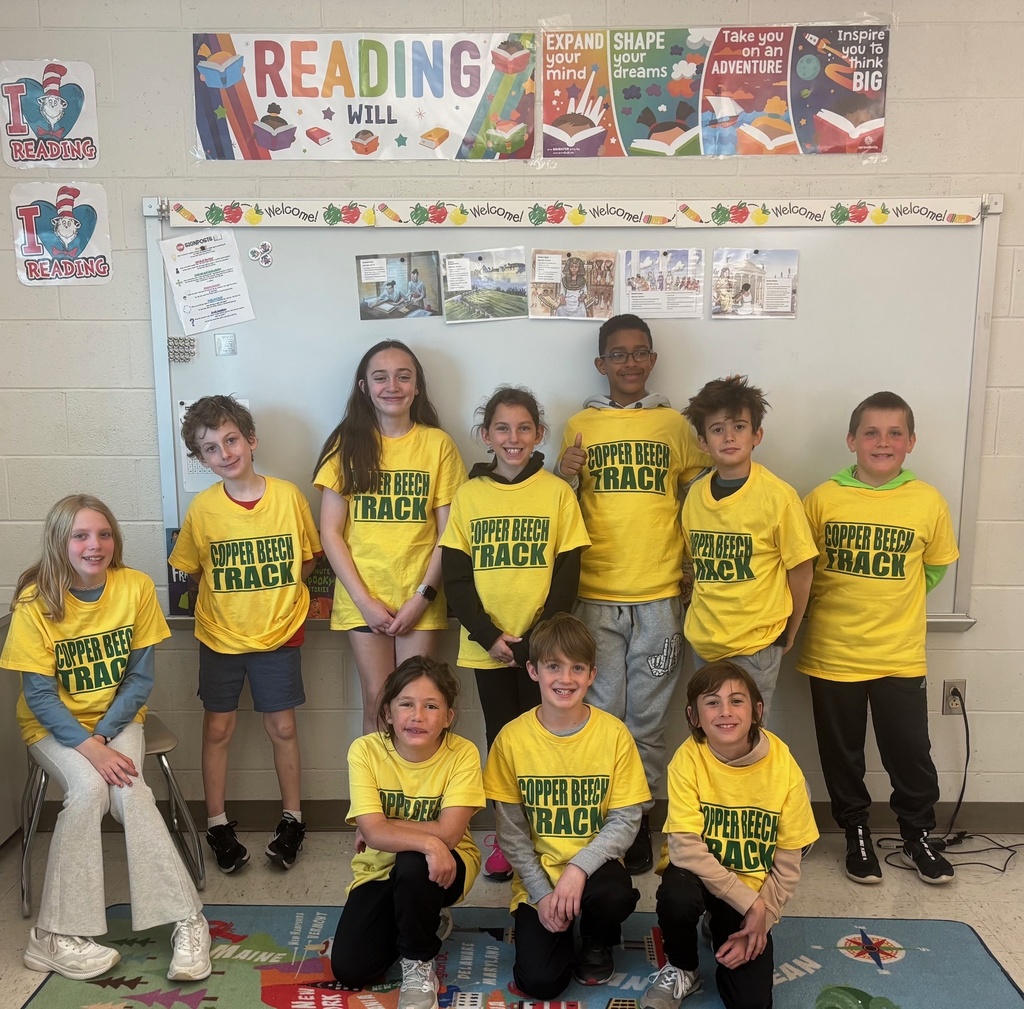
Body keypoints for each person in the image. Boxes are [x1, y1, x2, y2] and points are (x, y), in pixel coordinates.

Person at [1, 495, 211, 983]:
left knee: (129, 790)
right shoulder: (35, 601)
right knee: (92, 786)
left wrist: (107, 734)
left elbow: (139, 679)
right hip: (52, 727)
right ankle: (54, 936)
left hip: (117, 721)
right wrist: (91, 748)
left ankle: (186, 920)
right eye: (80, 535)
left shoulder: (134, 586)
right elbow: (38, 695)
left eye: (103, 534)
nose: (94, 545)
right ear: (60, 542)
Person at [556, 314, 710, 874]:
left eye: (639, 352)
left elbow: (697, 502)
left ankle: (640, 817)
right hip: (595, 596)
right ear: (601, 364)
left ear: (652, 359)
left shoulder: (675, 425)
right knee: (600, 714)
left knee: (646, 718)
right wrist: (563, 472)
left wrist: (694, 569)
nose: (629, 362)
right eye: (617, 354)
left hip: (660, 597)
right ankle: (604, 818)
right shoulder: (578, 424)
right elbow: (558, 505)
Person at [797, 392, 960, 885]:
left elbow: (932, 568)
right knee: (841, 753)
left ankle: (917, 835)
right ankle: (856, 834)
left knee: (909, 751)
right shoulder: (822, 498)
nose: (882, 442)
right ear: (851, 441)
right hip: (832, 653)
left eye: (894, 433)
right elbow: (803, 569)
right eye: (871, 432)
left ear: (910, 442)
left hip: (899, 655)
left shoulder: (927, 499)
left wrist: (891, 599)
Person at [441, 387, 590, 881]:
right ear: (486, 436)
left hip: (544, 651)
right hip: (490, 651)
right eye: (502, 428)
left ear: (539, 434)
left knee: (548, 741)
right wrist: (490, 636)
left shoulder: (556, 492)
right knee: (503, 744)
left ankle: (551, 838)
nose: (513, 437)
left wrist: (536, 643)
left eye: (524, 428)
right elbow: (457, 579)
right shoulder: (469, 495)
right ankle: (507, 839)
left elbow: (568, 573)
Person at [170, 396, 321, 873]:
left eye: (231, 439)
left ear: (251, 440)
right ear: (201, 459)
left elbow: (309, 558)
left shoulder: (288, 496)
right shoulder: (204, 509)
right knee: (218, 728)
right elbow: (193, 571)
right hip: (220, 639)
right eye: (210, 448)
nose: (225, 452)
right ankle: (217, 822)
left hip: (278, 636)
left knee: (283, 728)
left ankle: (293, 818)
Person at [483, 614, 650, 998]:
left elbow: (626, 821)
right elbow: (510, 832)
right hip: (538, 878)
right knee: (541, 983)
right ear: (533, 671)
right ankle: (552, 918)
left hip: (594, 873)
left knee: (615, 893)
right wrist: (541, 894)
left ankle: (596, 937)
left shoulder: (614, 735)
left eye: (577, 668)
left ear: (592, 675)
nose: (565, 678)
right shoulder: (511, 740)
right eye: (554, 666)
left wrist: (577, 868)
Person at [643, 661, 817, 1009]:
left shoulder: (784, 767)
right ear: (694, 716)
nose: (725, 712)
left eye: (737, 701)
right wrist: (752, 905)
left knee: (751, 1003)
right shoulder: (687, 760)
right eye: (712, 702)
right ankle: (683, 968)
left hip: (749, 891)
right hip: (696, 877)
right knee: (676, 895)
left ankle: (719, 927)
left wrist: (761, 915)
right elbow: (686, 851)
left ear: (757, 710)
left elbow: (787, 862)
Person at [314, 340, 465, 733]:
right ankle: (375, 796)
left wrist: (422, 598)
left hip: (421, 598)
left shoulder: (438, 444)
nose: (392, 386)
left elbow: (449, 534)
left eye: (404, 376)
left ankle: (419, 794)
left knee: (419, 706)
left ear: (417, 387)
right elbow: (330, 532)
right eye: (380, 377)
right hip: (364, 599)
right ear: (364, 387)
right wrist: (364, 602)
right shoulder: (345, 445)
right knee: (378, 702)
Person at [330, 656, 484, 1009]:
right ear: (387, 713)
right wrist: (420, 837)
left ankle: (419, 963)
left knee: (415, 861)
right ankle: (419, 918)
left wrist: (386, 830)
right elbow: (373, 831)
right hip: (380, 866)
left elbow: (449, 833)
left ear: (448, 717)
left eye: (431, 706)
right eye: (406, 704)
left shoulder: (462, 754)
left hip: (448, 865)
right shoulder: (365, 751)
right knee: (351, 969)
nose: (417, 716)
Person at [681, 376, 817, 725]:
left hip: (756, 644)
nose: (729, 437)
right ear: (702, 441)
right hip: (705, 641)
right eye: (717, 429)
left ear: (756, 435)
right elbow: (694, 564)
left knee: (749, 736)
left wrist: (790, 630)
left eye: (739, 427)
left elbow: (801, 570)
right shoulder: (696, 495)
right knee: (710, 733)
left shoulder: (778, 496)